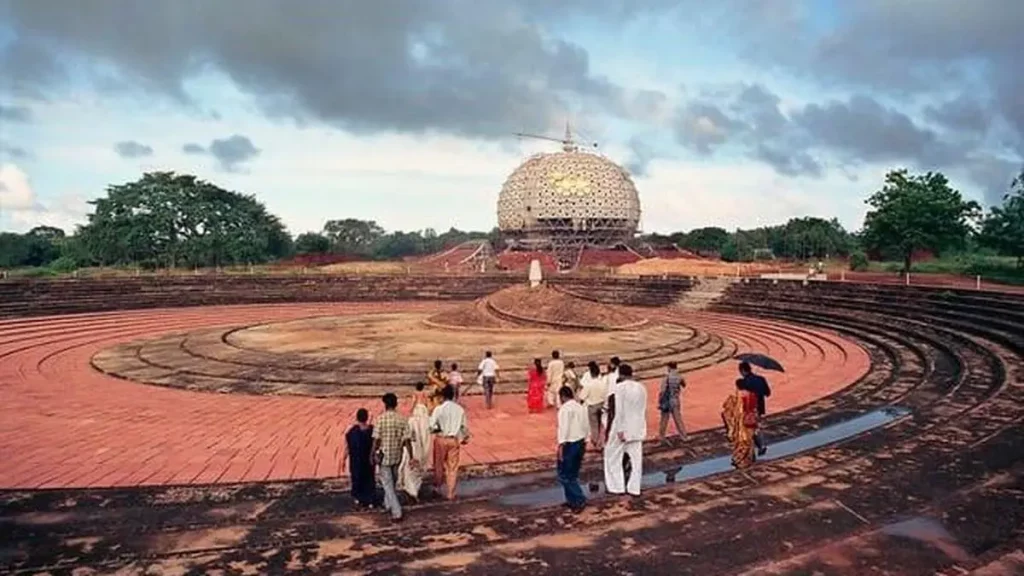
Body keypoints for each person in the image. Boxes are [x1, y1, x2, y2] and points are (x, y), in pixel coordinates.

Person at [603, 364, 647, 496]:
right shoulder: (641, 387)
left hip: (621, 428)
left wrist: (621, 430)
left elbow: (620, 410)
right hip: (637, 428)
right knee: (636, 461)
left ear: (620, 375)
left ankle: (616, 487)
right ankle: (634, 488)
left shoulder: (619, 388)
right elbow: (643, 409)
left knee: (611, 457)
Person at [372, 393, 414, 522]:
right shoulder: (402, 419)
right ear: (396, 404)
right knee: (392, 482)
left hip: (384, 456)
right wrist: (411, 456)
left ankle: (397, 512)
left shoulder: (381, 419)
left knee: (388, 484)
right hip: (397, 455)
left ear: (385, 404)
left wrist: (372, 453)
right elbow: (407, 440)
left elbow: (376, 439)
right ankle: (388, 503)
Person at [430, 385, 470, 500]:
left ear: (443, 396)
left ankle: (437, 487)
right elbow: (464, 427)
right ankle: (450, 492)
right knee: (452, 467)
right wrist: (464, 438)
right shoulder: (459, 409)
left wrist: (438, 429)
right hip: (453, 440)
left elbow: (431, 426)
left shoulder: (439, 409)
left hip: (441, 438)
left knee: (438, 465)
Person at [556, 385, 589, 512]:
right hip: (580, 442)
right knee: (573, 473)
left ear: (562, 397)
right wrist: (586, 441)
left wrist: (561, 446)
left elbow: (563, 428)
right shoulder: (580, 407)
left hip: (569, 444)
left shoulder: (564, 409)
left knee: (564, 474)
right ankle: (571, 499)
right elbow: (586, 426)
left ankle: (579, 499)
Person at [401, 383, 433, 499]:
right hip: (423, 410)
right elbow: (428, 404)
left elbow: (414, 402)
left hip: (418, 410)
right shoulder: (425, 394)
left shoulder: (415, 394)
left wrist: (411, 409)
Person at [342, 408, 377, 508]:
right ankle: (370, 500)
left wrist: (343, 460)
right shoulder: (372, 430)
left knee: (357, 479)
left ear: (357, 418)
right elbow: (375, 444)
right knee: (369, 479)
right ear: (366, 418)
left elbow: (347, 447)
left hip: (356, 461)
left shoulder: (351, 432)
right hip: (368, 461)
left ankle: (358, 499)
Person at [721, 376, 759, 469]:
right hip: (751, 421)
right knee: (749, 440)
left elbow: (729, 411)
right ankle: (749, 458)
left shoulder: (737, 397)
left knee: (741, 441)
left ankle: (741, 460)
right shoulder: (752, 395)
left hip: (741, 423)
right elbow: (755, 409)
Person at [737, 361, 772, 455]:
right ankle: (759, 446)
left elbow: (741, 394)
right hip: (759, 407)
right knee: (754, 426)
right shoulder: (761, 379)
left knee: (750, 428)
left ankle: (759, 446)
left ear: (743, 371)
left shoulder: (743, 382)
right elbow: (767, 393)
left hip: (749, 407)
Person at [577, 361, 608, 448]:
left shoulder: (589, 385)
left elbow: (582, 397)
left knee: (594, 425)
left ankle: (596, 441)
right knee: (601, 424)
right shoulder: (603, 383)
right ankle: (602, 441)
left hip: (592, 406)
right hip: (602, 405)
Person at [657, 362, 687, 444]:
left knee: (664, 419)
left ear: (669, 367)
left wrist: (660, 400)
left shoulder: (666, 377)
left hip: (667, 400)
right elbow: (684, 385)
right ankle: (683, 435)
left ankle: (661, 436)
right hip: (676, 399)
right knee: (678, 418)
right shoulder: (679, 376)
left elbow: (662, 391)